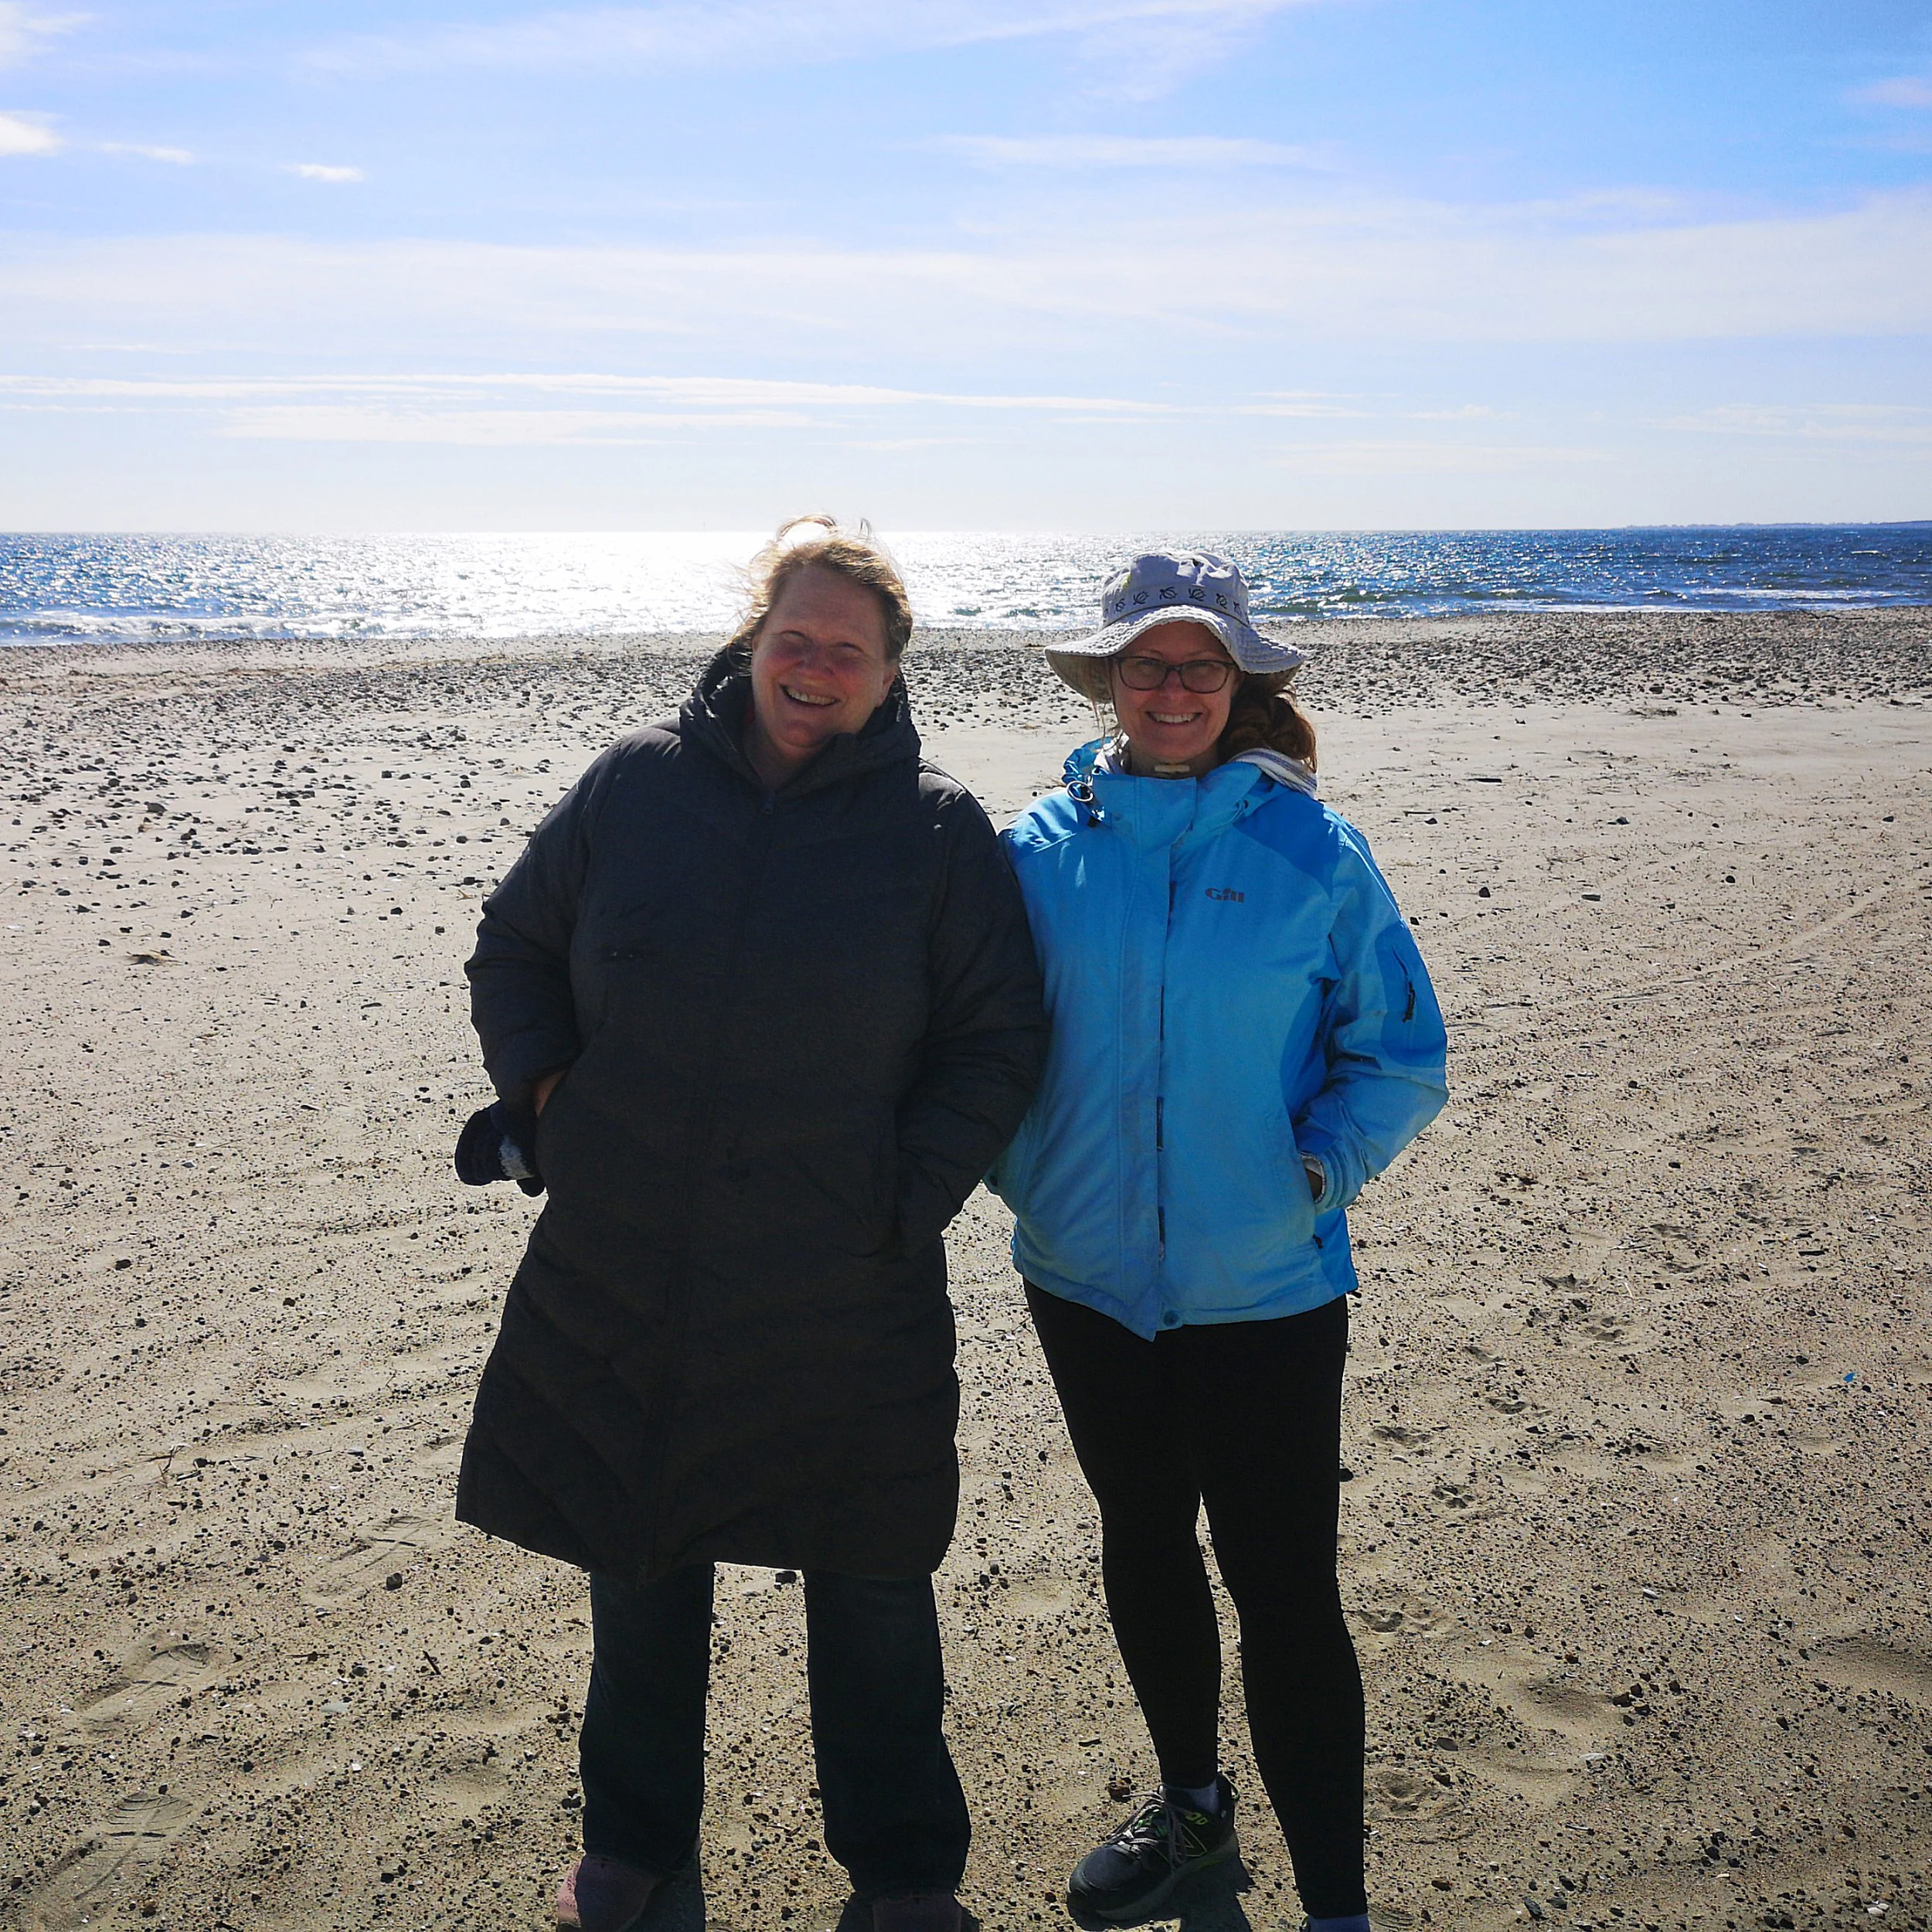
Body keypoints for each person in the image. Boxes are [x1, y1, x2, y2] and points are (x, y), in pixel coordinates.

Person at [454, 516, 1049, 1932]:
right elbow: (516, 946)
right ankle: (639, 1852)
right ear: (753, 640)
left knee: (873, 1588)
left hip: (846, 1277)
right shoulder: (635, 789)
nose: (816, 667)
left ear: (892, 672)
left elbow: (996, 1042)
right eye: (797, 639)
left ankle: (904, 1878)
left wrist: (899, 1198)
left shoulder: (938, 831)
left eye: (849, 649)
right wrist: (550, 1104)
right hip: (630, 1260)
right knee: (640, 1563)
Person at [986, 549, 1447, 1930]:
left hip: (1267, 1288)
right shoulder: (1033, 857)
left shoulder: (1313, 853)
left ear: (1239, 679)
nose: (1172, 687)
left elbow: (1400, 1055)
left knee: (1286, 1590)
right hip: (1085, 1283)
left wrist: (1313, 1171)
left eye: (1198, 664)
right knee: (1143, 1541)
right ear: (1110, 680)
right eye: (1147, 663)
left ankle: (1337, 1907)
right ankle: (1192, 1810)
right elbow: (972, 1041)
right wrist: (1025, 1177)